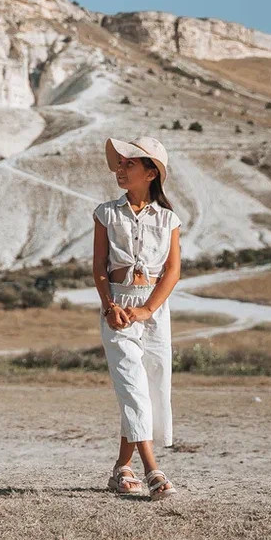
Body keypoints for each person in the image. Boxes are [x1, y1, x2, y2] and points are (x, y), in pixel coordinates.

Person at [91, 135, 182, 500]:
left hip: (154, 310)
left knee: (151, 388)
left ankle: (120, 469)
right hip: (117, 307)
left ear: (150, 172)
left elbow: (172, 271)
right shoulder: (106, 213)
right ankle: (152, 469)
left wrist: (147, 310)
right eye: (120, 163)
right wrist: (110, 305)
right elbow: (99, 266)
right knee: (132, 386)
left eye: (130, 164)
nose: (120, 170)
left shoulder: (169, 219)